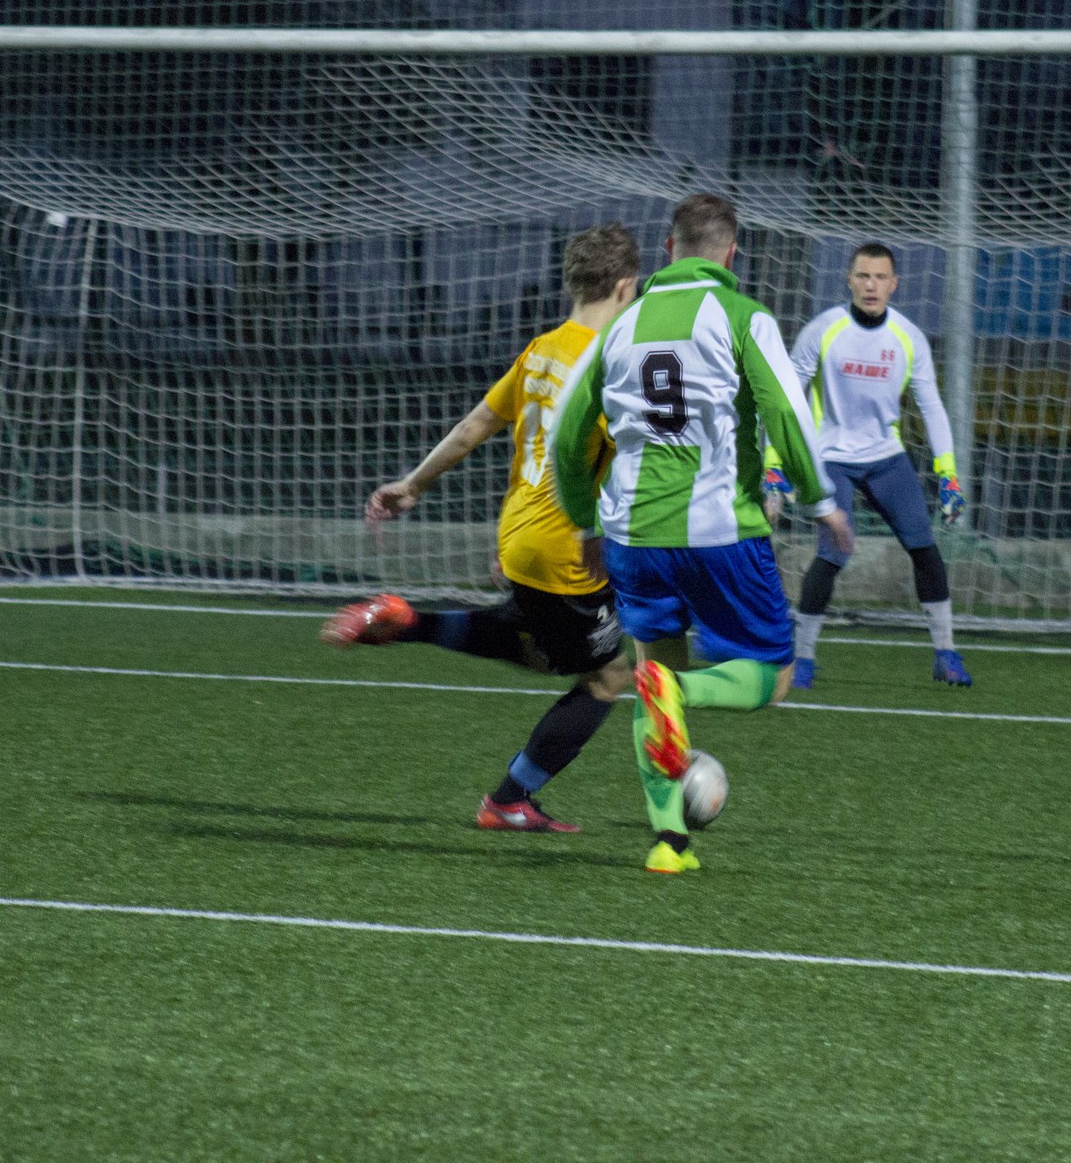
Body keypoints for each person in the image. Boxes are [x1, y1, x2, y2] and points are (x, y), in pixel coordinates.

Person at [551, 193, 853, 874]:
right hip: (719, 529)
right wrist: (819, 498)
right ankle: (680, 694)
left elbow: (567, 437)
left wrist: (584, 520)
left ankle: (669, 842)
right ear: (731, 253)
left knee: (654, 667)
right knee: (772, 676)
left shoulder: (620, 326)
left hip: (633, 534)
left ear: (669, 249)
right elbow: (784, 410)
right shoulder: (743, 317)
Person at [320, 222, 641, 833]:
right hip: (568, 547)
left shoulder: (542, 350)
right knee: (607, 676)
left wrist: (411, 484)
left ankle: (408, 620)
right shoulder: (615, 364)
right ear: (627, 286)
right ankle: (509, 800)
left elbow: (474, 427)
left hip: (517, 535)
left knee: (537, 643)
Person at [763, 241, 972, 689]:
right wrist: (773, 465)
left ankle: (946, 653)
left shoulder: (909, 338)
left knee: (925, 549)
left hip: (886, 459)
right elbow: (786, 400)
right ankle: (803, 658)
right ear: (849, 280)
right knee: (833, 553)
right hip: (831, 458)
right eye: (863, 276)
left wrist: (948, 475)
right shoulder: (822, 330)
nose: (871, 285)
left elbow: (932, 407)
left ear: (894, 284)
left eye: (880, 277)